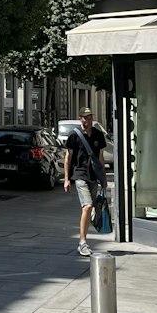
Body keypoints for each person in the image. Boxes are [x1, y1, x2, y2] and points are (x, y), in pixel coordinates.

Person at [63, 107, 108, 257]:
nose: (88, 120)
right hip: (80, 175)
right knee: (87, 206)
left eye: (90, 117)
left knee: (91, 208)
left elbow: (100, 158)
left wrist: (104, 178)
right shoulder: (74, 136)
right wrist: (66, 179)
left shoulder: (98, 135)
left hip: (94, 177)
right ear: (80, 118)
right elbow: (68, 158)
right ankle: (82, 243)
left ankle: (85, 238)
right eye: (85, 117)